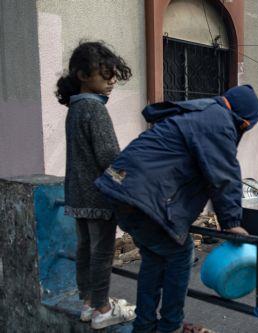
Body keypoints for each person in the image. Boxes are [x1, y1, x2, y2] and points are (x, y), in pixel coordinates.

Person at [95, 85, 258, 333]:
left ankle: (145, 325)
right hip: (140, 195)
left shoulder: (199, 113)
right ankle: (170, 326)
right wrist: (232, 222)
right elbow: (224, 175)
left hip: (120, 189)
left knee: (154, 257)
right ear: (244, 123)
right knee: (181, 254)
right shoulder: (218, 120)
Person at [57, 41, 136, 329]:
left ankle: (88, 303)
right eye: (105, 74)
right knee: (102, 253)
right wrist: (128, 187)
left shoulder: (75, 109)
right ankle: (103, 308)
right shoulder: (95, 110)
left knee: (85, 249)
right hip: (98, 197)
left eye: (113, 75)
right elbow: (109, 158)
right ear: (82, 75)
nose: (112, 81)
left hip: (77, 194)